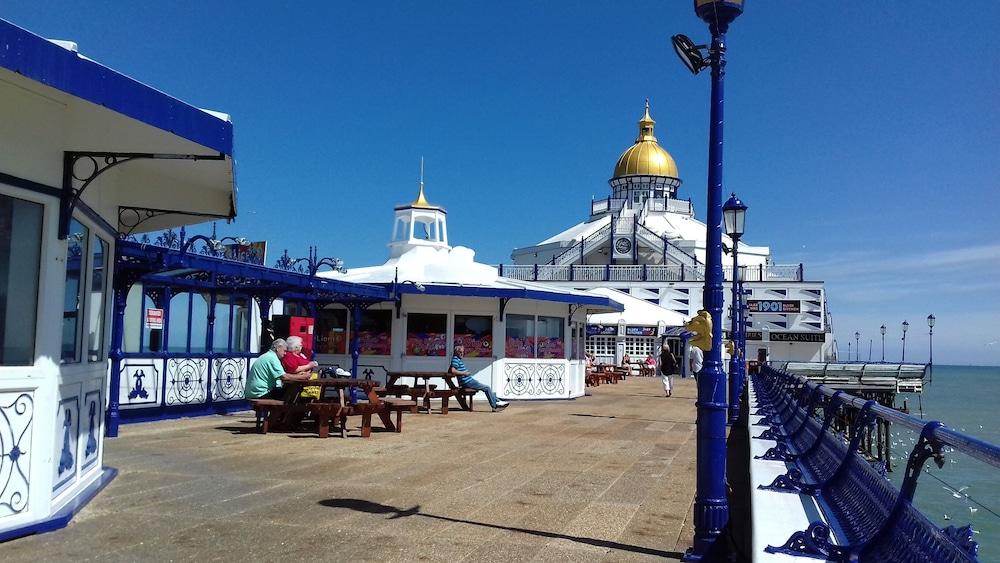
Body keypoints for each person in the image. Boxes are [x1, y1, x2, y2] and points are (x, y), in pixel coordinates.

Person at [449, 345, 508, 412]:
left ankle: (498, 402)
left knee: (487, 388)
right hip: (467, 382)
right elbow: (452, 370)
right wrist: (464, 373)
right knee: (487, 388)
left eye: (463, 352)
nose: (462, 353)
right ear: (456, 352)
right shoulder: (455, 359)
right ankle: (494, 406)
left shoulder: (457, 359)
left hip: (469, 381)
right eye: (460, 352)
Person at [245, 339, 311, 400]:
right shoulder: (272, 358)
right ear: (278, 348)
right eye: (284, 351)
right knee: (292, 395)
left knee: (289, 392)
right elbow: (284, 377)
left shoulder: (268, 356)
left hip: (255, 391)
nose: (285, 353)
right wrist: (303, 377)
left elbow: (282, 375)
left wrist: (298, 375)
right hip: (260, 393)